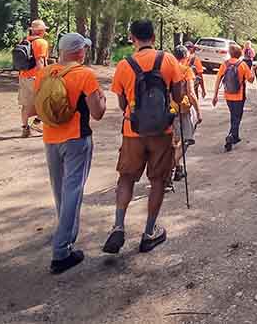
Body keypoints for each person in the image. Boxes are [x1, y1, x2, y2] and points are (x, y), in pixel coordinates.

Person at [104, 20, 185, 255]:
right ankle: (149, 232)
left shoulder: (124, 65)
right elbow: (179, 97)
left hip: (133, 132)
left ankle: (118, 226)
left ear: (132, 37)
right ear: (153, 35)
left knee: (126, 178)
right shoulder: (168, 60)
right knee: (158, 180)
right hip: (162, 132)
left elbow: (121, 104)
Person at [28, 33, 106, 274]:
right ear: (80, 52)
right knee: (73, 191)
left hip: (50, 138)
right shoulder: (85, 75)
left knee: (60, 190)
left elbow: (35, 108)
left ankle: (65, 235)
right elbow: (98, 113)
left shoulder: (43, 73)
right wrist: (101, 98)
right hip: (76, 140)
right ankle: (61, 251)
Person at [169, 45, 203, 192]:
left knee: (174, 141)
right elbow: (191, 93)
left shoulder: (166, 70)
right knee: (187, 140)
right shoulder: (186, 70)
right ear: (185, 56)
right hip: (182, 109)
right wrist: (199, 112)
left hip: (167, 110)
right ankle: (169, 166)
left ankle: (178, 169)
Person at [211, 44, 255, 152]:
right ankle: (231, 136)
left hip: (228, 95)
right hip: (239, 96)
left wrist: (215, 95)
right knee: (237, 118)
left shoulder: (225, 64)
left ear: (230, 53)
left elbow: (218, 80)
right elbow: (251, 80)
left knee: (233, 116)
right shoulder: (242, 64)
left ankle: (235, 136)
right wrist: (253, 69)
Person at [19, 19, 50, 137]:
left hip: (23, 76)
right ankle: (37, 123)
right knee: (46, 101)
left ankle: (25, 128)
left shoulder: (25, 40)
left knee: (26, 105)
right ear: (42, 31)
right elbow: (40, 61)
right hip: (36, 77)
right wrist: (44, 78)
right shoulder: (41, 43)